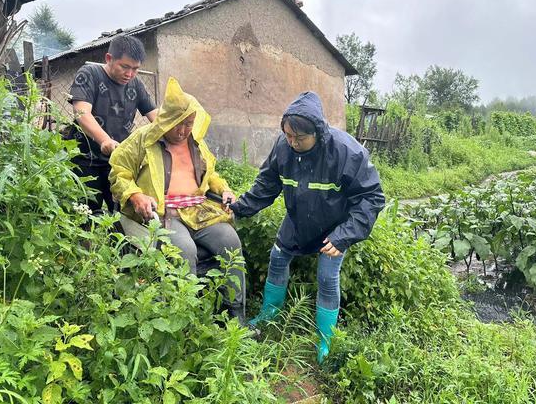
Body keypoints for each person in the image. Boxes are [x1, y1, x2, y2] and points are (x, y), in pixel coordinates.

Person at [230, 91, 385, 363]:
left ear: (317, 132)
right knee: (277, 258)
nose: (292, 143)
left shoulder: (346, 152)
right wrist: (239, 206)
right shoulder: (283, 147)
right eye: (288, 136)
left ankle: (326, 340)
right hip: (297, 219)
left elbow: (372, 198)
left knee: (327, 278)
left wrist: (344, 236)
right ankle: (270, 314)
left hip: (334, 227)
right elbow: (266, 184)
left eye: (299, 138)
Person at [109, 77, 245, 322]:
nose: (183, 131)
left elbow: (210, 174)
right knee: (184, 249)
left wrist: (223, 189)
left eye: (189, 124)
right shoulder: (144, 140)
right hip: (163, 212)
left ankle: (235, 316)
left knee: (230, 242)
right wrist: (136, 194)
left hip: (198, 210)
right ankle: (186, 319)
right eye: (177, 125)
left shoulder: (196, 143)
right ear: (167, 120)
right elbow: (119, 172)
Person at [69, 35, 158, 213]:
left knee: (120, 214)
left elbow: (156, 117)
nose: (130, 74)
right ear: (109, 59)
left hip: (117, 162)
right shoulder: (89, 74)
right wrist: (104, 140)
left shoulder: (136, 84)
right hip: (85, 159)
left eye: (135, 69)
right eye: (124, 67)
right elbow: (81, 112)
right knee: (85, 214)